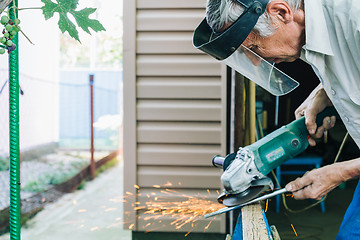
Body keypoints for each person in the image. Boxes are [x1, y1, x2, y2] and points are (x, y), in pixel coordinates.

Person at [194, 0, 360, 238]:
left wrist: (341, 172)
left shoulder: (354, 19)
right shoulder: (310, 29)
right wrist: (324, 92)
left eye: (252, 47)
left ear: (281, 12)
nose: (254, 60)